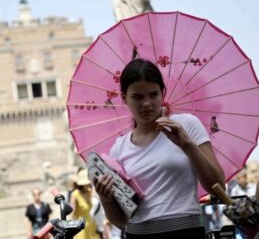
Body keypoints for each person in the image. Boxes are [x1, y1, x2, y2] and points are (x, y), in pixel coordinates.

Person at [93, 59, 225, 239]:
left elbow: (218, 186)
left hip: (186, 231)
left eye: (153, 94)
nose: (146, 103)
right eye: (137, 97)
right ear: (124, 98)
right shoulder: (119, 148)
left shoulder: (187, 125)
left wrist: (187, 145)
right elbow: (121, 221)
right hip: (137, 233)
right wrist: (105, 199)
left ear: (162, 93)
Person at [70, 169, 100, 239]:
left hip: (91, 225)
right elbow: (72, 214)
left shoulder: (89, 192)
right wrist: (72, 231)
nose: (88, 184)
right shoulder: (75, 195)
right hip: (80, 228)